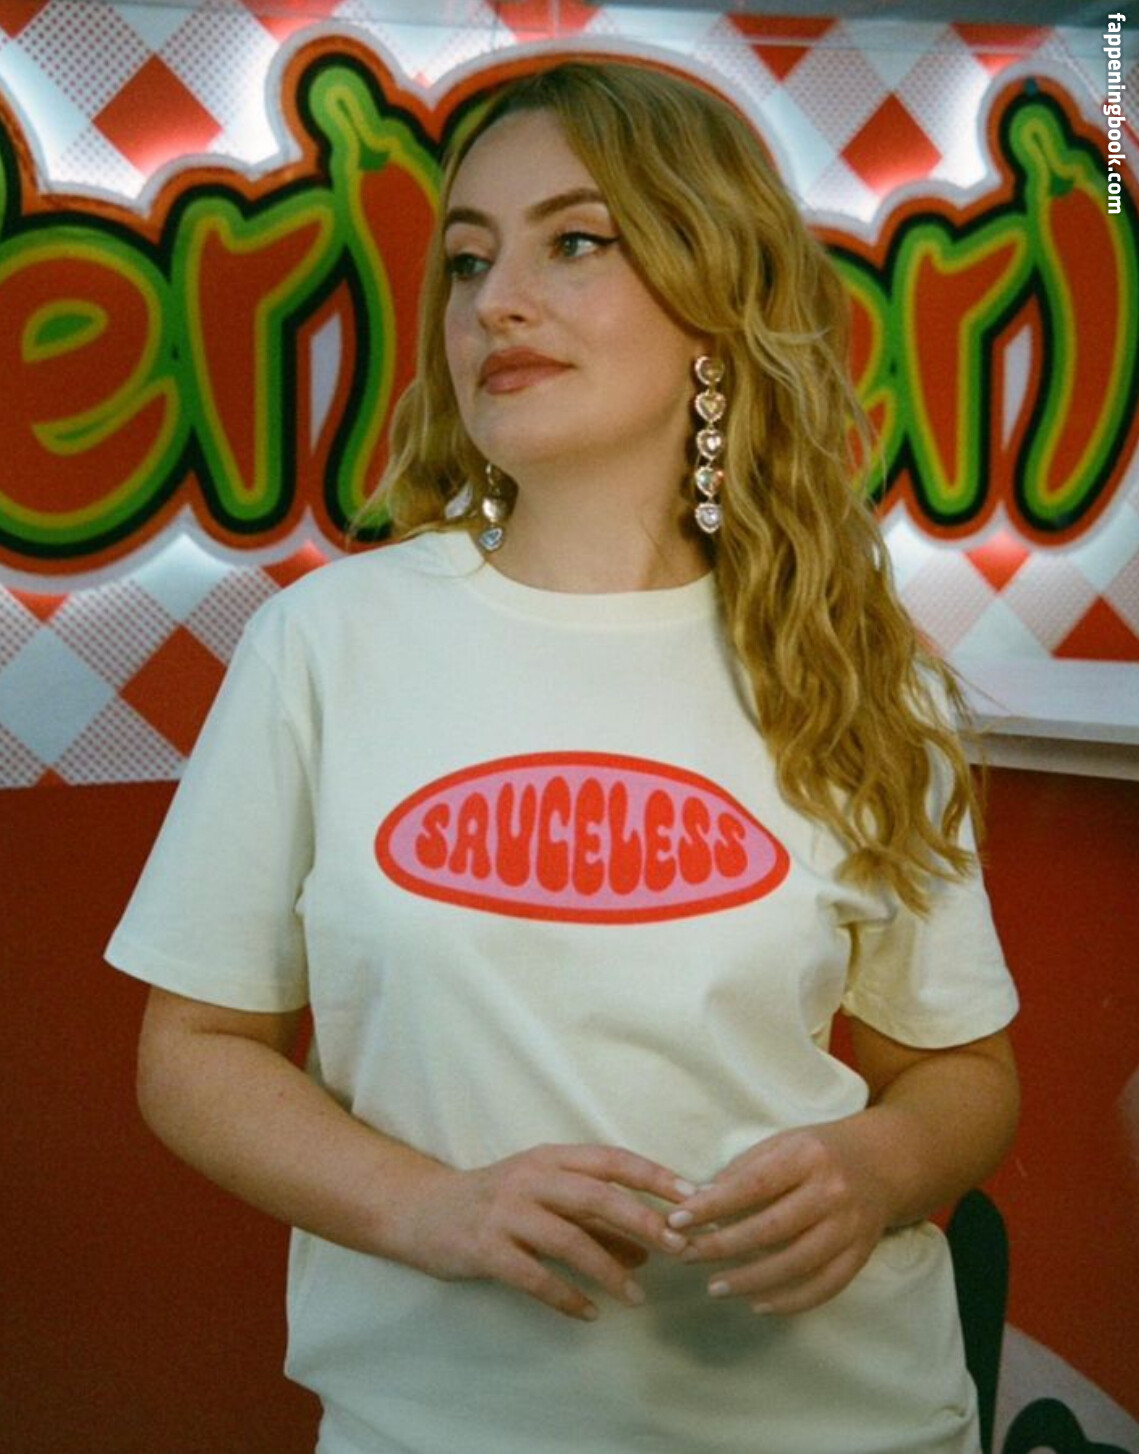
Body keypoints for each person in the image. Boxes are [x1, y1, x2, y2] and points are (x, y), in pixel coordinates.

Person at [106, 58, 1020, 1454]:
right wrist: (432, 1208)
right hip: (437, 1427)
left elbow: (962, 1071)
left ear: (718, 295)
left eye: (575, 242)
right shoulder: (326, 643)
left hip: (843, 1419)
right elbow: (193, 1051)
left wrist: (875, 1166)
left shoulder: (854, 667)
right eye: (469, 262)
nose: (495, 303)